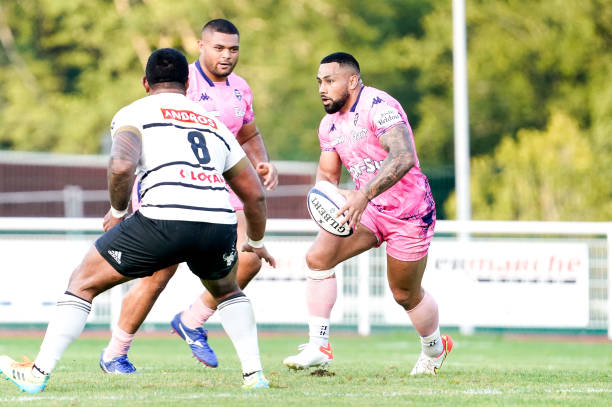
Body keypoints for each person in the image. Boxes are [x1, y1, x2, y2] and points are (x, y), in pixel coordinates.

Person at [0, 48, 274, 393]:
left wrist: (117, 213)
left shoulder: (135, 112)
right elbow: (255, 194)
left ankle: (37, 374)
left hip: (164, 218)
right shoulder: (214, 123)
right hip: (218, 223)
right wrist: (257, 242)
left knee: (83, 281)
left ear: (145, 83)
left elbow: (121, 165)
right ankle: (254, 376)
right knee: (227, 290)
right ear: (188, 83)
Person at [98, 19, 278, 374]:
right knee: (159, 273)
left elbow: (249, 132)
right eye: (219, 48)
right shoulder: (180, 83)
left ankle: (193, 320)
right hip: (171, 184)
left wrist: (262, 162)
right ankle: (116, 352)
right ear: (201, 46)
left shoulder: (241, 89)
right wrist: (117, 204)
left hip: (221, 183)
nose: (227, 56)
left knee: (251, 257)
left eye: (234, 49)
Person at [282, 52, 453, 375]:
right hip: (368, 209)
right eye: (319, 82)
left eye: (330, 81)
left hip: (410, 213)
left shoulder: (379, 107)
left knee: (404, 294)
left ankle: (434, 349)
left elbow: (403, 157)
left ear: (352, 80)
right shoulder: (329, 124)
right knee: (318, 258)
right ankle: (319, 346)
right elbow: (327, 178)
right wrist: (329, 200)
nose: (322, 88)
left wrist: (361, 194)